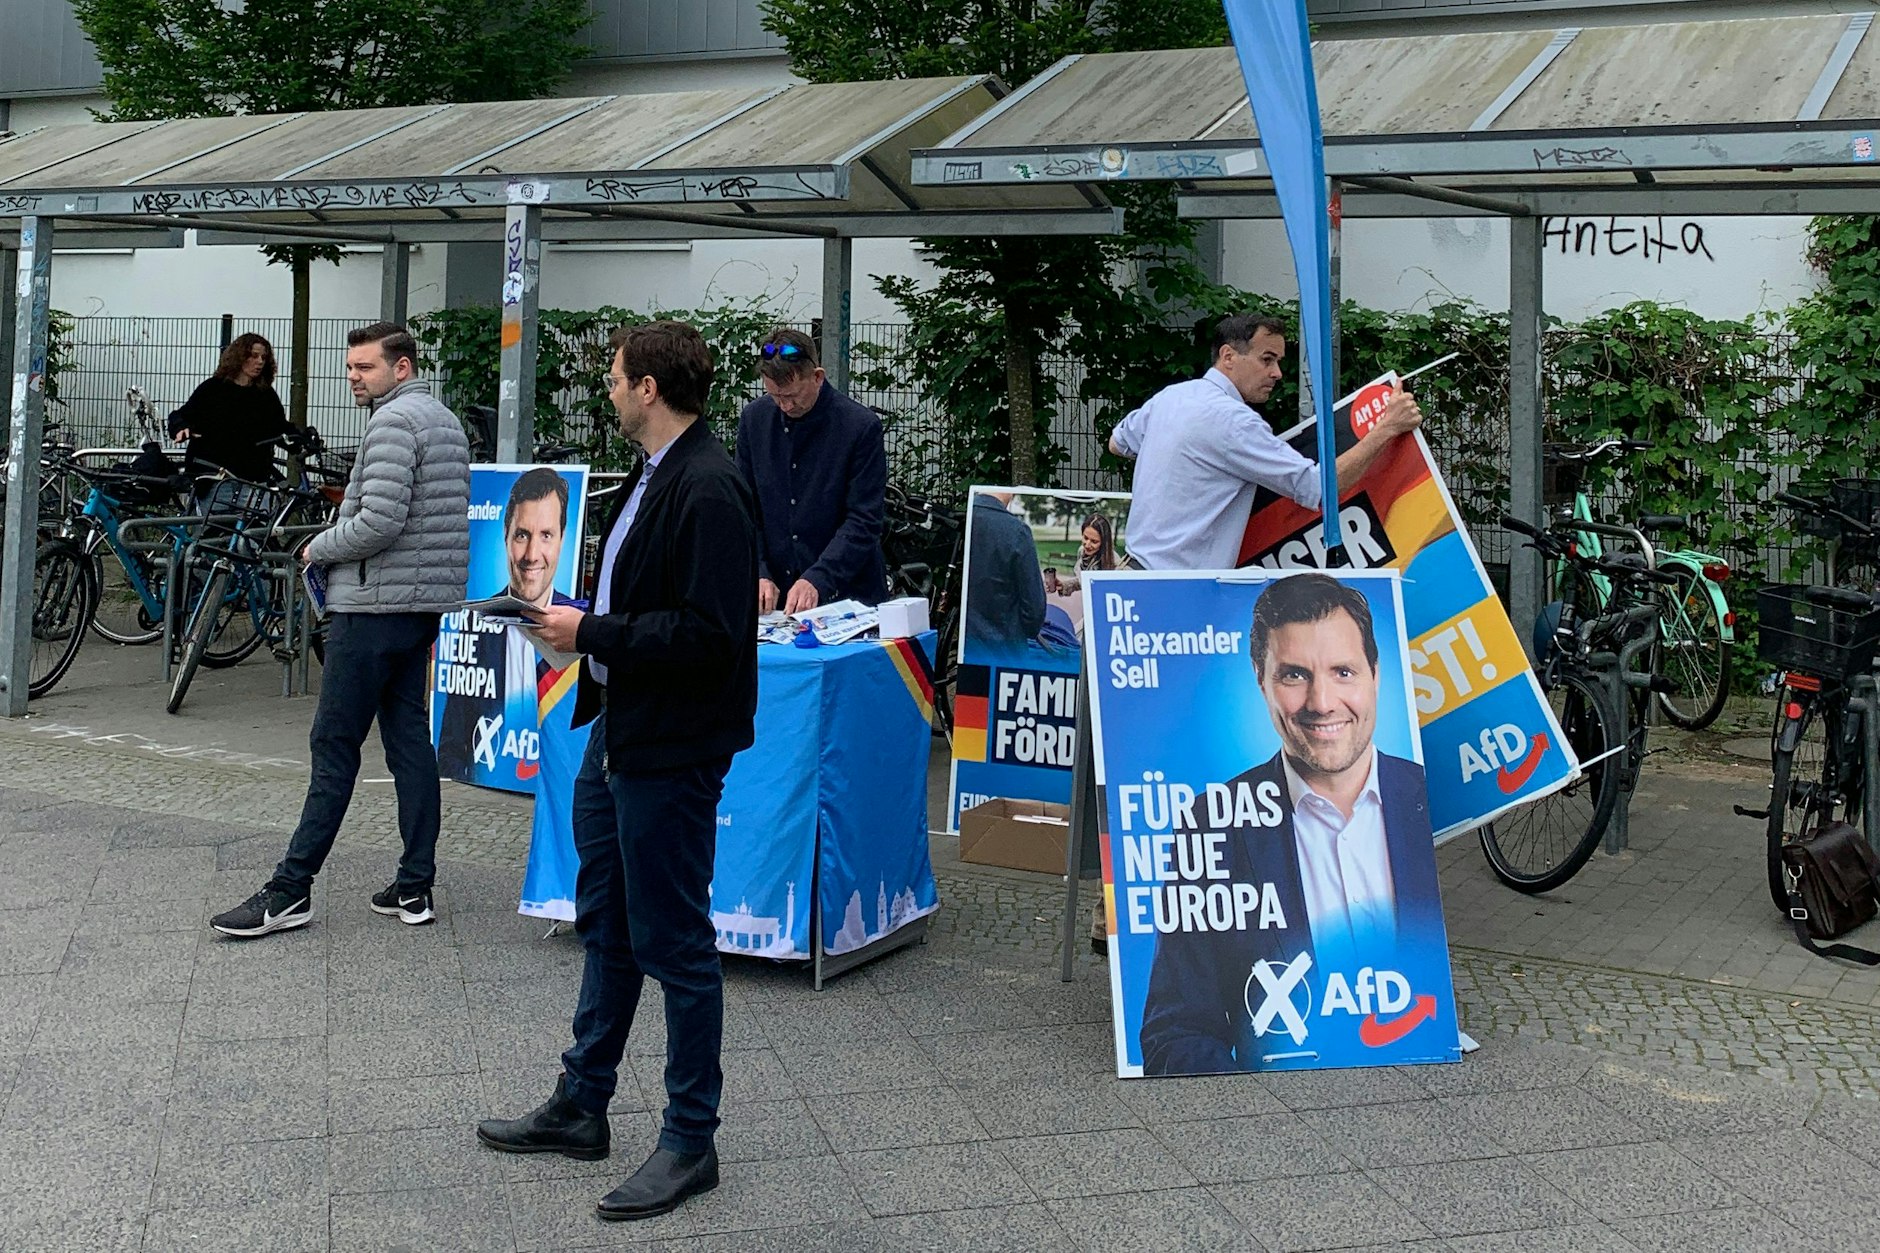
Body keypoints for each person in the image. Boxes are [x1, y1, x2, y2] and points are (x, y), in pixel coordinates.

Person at [477, 320, 757, 1224]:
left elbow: (713, 635)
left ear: (648, 388)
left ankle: (690, 1139)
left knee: (675, 939)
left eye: (615, 373)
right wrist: (573, 618)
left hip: (671, 743)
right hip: (621, 732)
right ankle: (582, 1101)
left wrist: (586, 633)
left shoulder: (710, 485)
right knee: (608, 919)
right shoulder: (654, 470)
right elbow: (646, 598)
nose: (607, 383)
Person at [208, 323, 470, 938]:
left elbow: (378, 520)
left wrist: (315, 546)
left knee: (333, 748)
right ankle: (414, 887)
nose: (353, 376)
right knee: (409, 743)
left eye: (365, 367)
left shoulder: (392, 424)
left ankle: (290, 890)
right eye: (350, 366)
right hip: (419, 609)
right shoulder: (445, 421)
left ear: (401, 368)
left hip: (372, 607)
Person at [1136, 573, 1442, 1076]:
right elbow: (1177, 1033)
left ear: (1376, 674)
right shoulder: (1214, 823)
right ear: (1261, 680)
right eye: (1295, 675)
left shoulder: (1422, 797)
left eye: (1343, 671)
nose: (1322, 702)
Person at [1109, 314, 1423, 571]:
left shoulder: (1172, 397)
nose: (1276, 373)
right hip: (1175, 596)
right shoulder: (1236, 424)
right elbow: (1317, 489)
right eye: (1267, 360)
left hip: (1131, 577)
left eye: (1278, 361)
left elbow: (1117, 443)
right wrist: (1386, 428)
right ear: (1228, 356)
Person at [438, 468, 578, 787]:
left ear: (562, 539)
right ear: (506, 536)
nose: (531, 555)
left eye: (546, 535)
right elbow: (450, 748)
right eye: (522, 535)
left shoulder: (581, 625)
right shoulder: (476, 623)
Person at [735, 328, 887, 613]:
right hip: (776, 601)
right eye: (775, 396)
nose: (785, 405)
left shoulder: (860, 427)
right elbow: (744, 509)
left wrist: (819, 578)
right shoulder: (754, 420)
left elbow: (863, 519)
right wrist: (759, 570)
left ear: (817, 377)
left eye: (792, 395)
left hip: (849, 597)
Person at [167, 332, 293, 507]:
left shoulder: (266, 395)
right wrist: (181, 427)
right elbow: (180, 415)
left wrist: (298, 437)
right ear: (239, 357)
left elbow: (279, 427)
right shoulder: (213, 389)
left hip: (254, 481)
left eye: (264, 357)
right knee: (214, 532)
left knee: (258, 532)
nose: (260, 362)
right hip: (215, 481)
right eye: (254, 356)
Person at [964, 489, 1046, 652]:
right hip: (1005, 647)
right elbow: (1033, 606)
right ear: (1010, 493)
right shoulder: (1016, 531)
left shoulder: (961, 520)